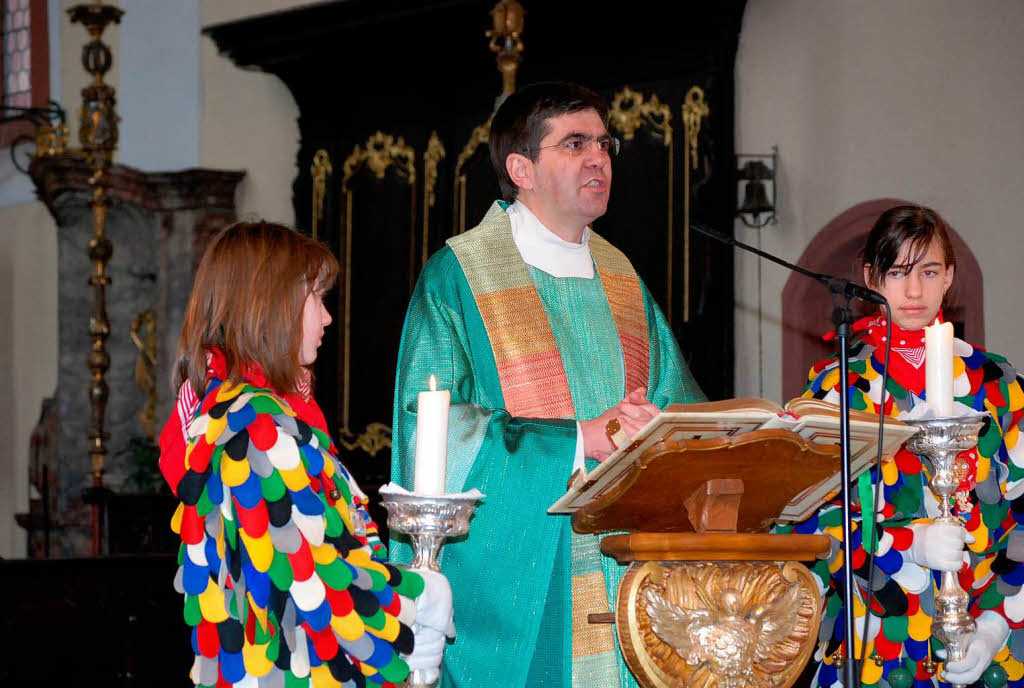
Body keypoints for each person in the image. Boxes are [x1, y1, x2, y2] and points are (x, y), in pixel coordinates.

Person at [390, 82, 706, 687]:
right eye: (575, 144)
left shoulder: (621, 275)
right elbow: (427, 426)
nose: (598, 158)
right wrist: (575, 440)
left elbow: (674, 400)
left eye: (604, 144)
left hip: (629, 575)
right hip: (525, 579)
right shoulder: (459, 275)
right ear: (521, 168)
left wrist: (726, 435)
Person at [158, 221, 454, 688]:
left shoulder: (245, 415)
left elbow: (309, 561)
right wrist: (419, 600)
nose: (327, 317)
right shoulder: (255, 428)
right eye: (315, 297)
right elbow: (319, 589)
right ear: (268, 305)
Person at [776, 206, 1024, 687]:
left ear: (949, 276)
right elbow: (803, 519)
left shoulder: (999, 385)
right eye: (897, 273)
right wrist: (910, 546)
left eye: (929, 272)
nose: (914, 292)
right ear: (871, 278)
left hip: (986, 636)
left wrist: (996, 626)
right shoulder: (838, 389)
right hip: (876, 637)